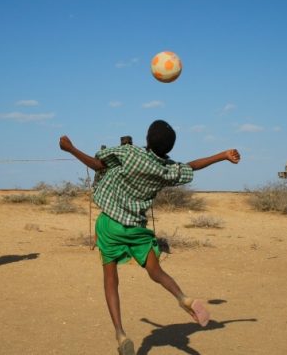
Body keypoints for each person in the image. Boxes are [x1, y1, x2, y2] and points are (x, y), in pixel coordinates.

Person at [59, 120, 240, 355]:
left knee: (110, 279)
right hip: (137, 229)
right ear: (168, 149)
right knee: (156, 271)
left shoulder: (129, 153)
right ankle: (182, 297)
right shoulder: (165, 170)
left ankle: (120, 333)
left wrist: (71, 148)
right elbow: (191, 167)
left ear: (147, 138)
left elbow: (98, 164)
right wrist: (223, 155)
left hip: (110, 226)